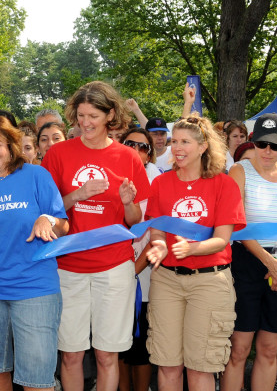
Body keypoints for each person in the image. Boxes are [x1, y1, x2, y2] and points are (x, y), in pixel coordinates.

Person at [41, 82, 150, 391]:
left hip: (114, 269)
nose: (85, 123)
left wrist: (128, 203)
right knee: (72, 355)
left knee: (106, 356)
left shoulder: (128, 158)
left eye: (93, 116)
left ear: (110, 115)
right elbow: (46, 212)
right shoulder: (58, 154)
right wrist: (77, 194)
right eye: (80, 115)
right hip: (67, 268)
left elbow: (134, 222)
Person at [0, 115, 68, 391]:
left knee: (37, 378)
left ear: (11, 147)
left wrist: (48, 220)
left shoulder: (36, 175)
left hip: (34, 289)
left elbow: (64, 225)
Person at [144, 116, 245, 391]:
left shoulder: (224, 184)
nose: (176, 147)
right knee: (167, 364)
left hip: (210, 282)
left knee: (201, 367)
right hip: (167, 281)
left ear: (202, 147)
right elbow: (157, 230)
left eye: (185, 142)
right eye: (174, 141)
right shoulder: (161, 184)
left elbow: (223, 239)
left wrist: (192, 249)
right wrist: (160, 245)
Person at [220, 114, 277, 391]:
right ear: (253, 142)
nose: (267, 151)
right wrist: (270, 262)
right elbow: (237, 224)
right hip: (247, 263)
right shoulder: (239, 170)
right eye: (261, 143)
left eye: (275, 145)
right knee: (239, 348)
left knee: (269, 348)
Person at [118, 128, 161, 391]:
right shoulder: (109, 181)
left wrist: (132, 270)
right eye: (129, 144)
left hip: (142, 278)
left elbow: (157, 237)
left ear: (149, 155)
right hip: (110, 275)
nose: (136, 150)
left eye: (143, 147)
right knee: (117, 344)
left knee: (140, 344)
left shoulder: (156, 186)